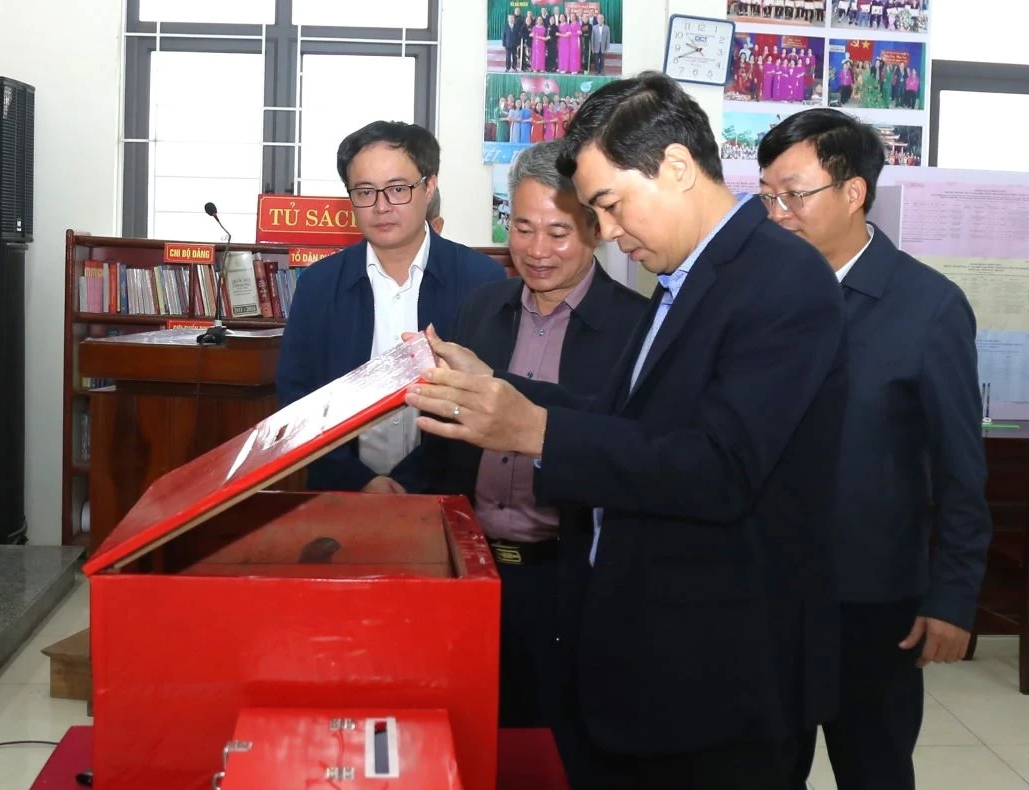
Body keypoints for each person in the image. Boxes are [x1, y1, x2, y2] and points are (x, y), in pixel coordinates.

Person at [404, 70, 846, 789]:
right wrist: (499, 387)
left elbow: (720, 467)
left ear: (675, 166)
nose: (606, 232)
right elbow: (625, 418)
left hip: (719, 673)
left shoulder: (779, 280)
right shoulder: (688, 277)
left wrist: (538, 431)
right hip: (650, 655)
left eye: (609, 206)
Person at [757, 108, 991, 790]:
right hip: (769, 593)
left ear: (853, 192)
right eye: (767, 196)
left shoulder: (928, 306)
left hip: (873, 601)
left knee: (874, 769)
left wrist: (953, 597)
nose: (777, 214)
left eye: (794, 195)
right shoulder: (761, 296)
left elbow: (960, 467)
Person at [412, 140, 647, 778]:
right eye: (521, 227)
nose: (537, 249)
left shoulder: (637, 326)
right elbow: (442, 442)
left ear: (595, 229)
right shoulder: (479, 310)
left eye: (558, 232)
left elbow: (634, 452)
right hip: (477, 572)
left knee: (572, 755)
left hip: (574, 581)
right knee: (481, 745)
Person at [274, 120, 505, 494]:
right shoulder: (318, 285)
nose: (381, 207)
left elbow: (485, 398)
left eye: (398, 189)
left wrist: (409, 483)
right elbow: (297, 398)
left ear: (429, 187)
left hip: (446, 494)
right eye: (365, 192)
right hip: (341, 495)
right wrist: (361, 482)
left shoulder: (482, 281)